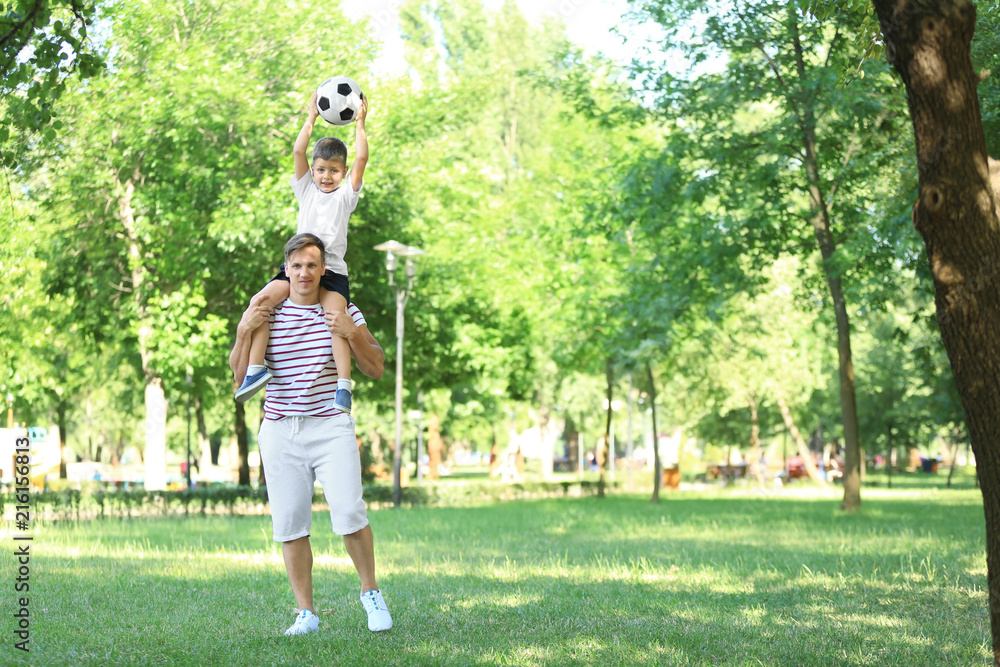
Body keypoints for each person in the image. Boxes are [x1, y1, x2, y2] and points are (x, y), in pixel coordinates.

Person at [229, 232, 392, 636]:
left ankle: (370, 594)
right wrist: (242, 332)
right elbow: (238, 378)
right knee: (290, 524)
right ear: (286, 269)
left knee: (350, 513)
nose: (304, 273)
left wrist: (352, 332)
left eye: (312, 265)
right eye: (296, 266)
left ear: (324, 270)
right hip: (280, 429)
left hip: (329, 425)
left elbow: (376, 366)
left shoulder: (342, 309)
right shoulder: (267, 311)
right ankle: (307, 613)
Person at [234, 87, 370, 414]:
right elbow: (297, 151)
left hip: (332, 272)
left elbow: (362, 158)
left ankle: (343, 386)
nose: (326, 176)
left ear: (343, 172)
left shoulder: (345, 197)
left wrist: (361, 125)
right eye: (321, 169)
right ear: (313, 170)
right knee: (261, 302)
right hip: (299, 268)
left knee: (336, 318)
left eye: (334, 171)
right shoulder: (306, 189)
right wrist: (310, 116)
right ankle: (255, 368)